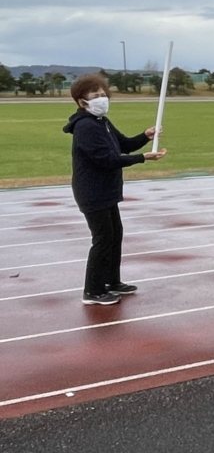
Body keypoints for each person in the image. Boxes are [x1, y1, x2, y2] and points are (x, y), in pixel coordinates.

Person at [63, 74, 166, 305]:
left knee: (115, 235)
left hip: (107, 191)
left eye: (103, 94)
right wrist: (142, 158)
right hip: (92, 192)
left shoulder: (102, 122)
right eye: (96, 95)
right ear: (82, 101)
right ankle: (93, 291)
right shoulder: (85, 126)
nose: (102, 99)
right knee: (102, 239)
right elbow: (107, 159)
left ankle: (111, 281)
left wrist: (145, 136)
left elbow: (124, 145)